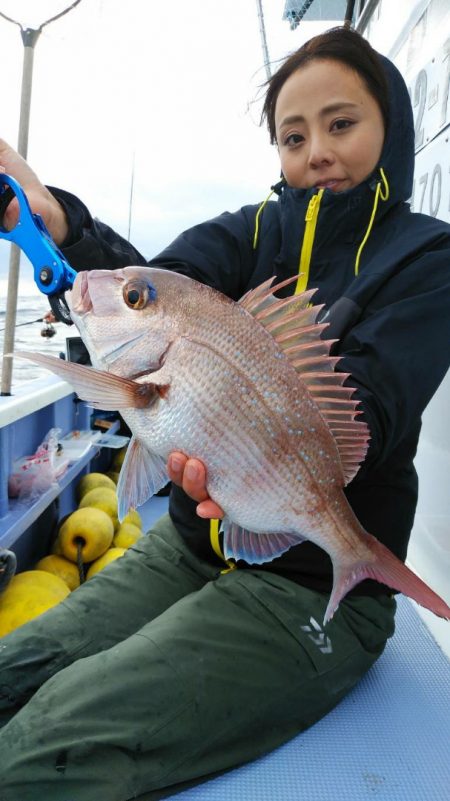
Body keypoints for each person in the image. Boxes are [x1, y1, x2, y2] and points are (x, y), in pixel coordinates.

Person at [0, 26, 449, 801]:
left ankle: (360, 574)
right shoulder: (250, 231)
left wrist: (236, 434)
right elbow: (156, 287)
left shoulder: (427, 257)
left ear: (392, 128)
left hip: (312, 584)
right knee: (14, 670)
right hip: (190, 545)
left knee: (39, 750)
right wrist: (61, 225)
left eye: (342, 124)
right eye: (293, 135)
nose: (316, 151)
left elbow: (369, 411)